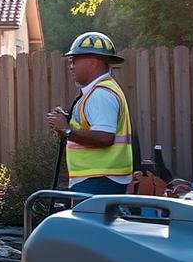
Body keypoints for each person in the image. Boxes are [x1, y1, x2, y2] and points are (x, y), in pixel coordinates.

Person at [46, 31, 133, 196]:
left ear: (93, 62)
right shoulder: (97, 92)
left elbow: (105, 137)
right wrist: (67, 122)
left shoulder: (101, 94)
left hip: (99, 181)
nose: (71, 66)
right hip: (100, 180)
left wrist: (67, 130)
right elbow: (92, 129)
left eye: (74, 60)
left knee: (89, 222)